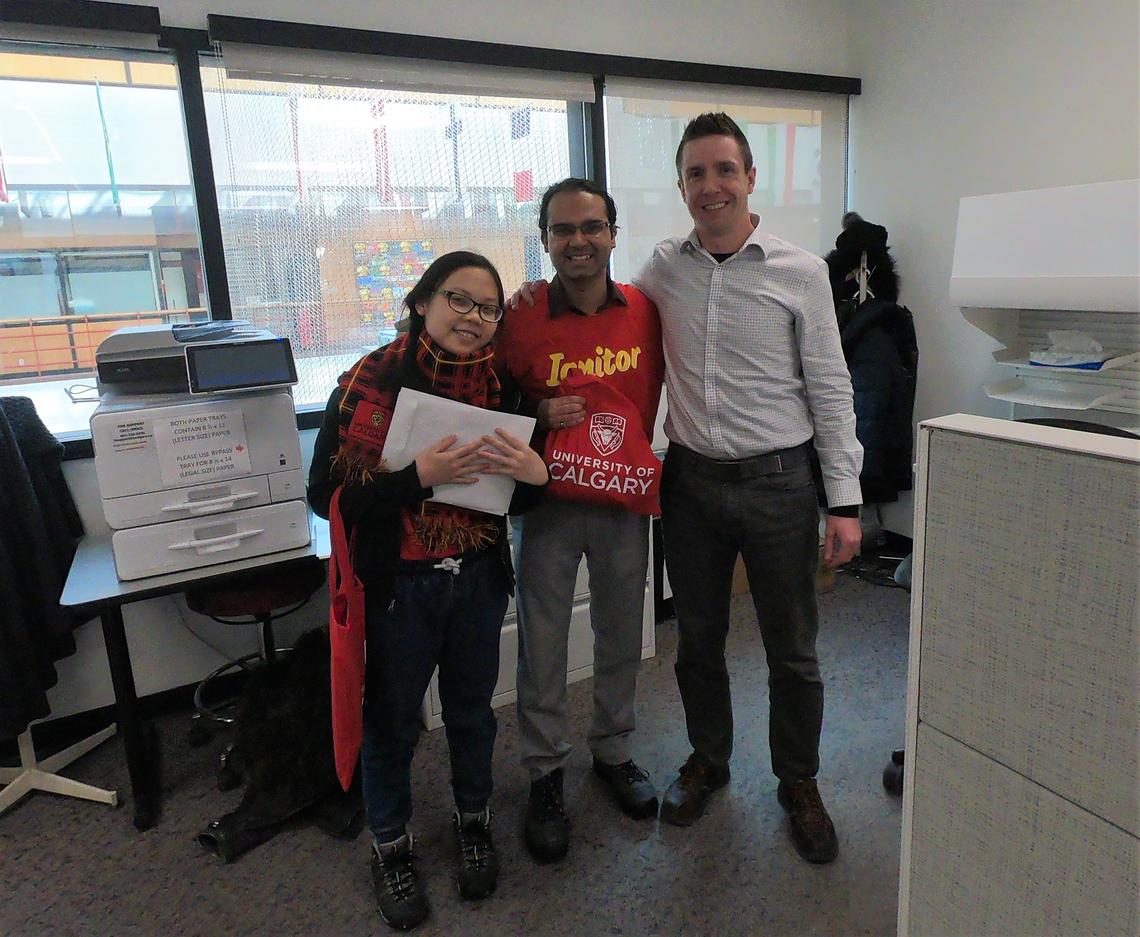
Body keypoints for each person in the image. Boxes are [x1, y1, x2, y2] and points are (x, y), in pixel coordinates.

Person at [636, 113, 862, 864]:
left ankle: (797, 779)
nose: (712, 186)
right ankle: (710, 758)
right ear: (681, 185)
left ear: (751, 177)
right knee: (697, 640)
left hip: (780, 483)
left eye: (724, 170)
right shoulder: (664, 267)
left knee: (792, 649)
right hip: (692, 481)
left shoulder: (801, 271)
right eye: (696, 173)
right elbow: (607, 322)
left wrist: (847, 499)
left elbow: (831, 388)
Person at [307, 251, 549, 930]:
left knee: (473, 712)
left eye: (488, 307)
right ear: (422, 302)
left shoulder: (503, 387)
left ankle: (474, 821)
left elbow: (515, 502)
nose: (474, 317)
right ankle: (392, 847)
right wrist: (417, 475)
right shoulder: (365, 382)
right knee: (392, 724)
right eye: (459, 300)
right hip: (398, 590)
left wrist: (535, 473)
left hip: (475, 581)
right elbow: (325, 499)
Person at [495, 178, 665, 863]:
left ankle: (614, 750)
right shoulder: (521, 314)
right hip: (548, 505)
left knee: (623, 629)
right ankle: (543, 772)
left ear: (613, 234)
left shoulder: (648, 310)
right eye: (563, 230)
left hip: (624, 499)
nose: (579, 240)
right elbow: (489, 394)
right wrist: (535, 413)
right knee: (543, 641)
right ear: (544, 241)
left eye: (592, 226)